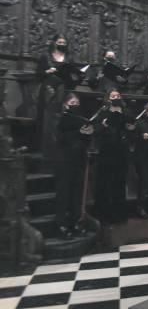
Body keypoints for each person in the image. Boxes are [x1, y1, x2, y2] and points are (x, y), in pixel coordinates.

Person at [92, 89, 135, 223]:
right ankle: (105, 215)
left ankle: (120, 214)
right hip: (106, 152)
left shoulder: (126, 112)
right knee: (105, 184)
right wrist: (104, 125)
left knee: (120, 184)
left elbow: (132, 129)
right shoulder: (103, 112)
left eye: (117, 95)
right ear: (108, 99)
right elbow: (95, 131)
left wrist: (130, 128)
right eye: (112, 96)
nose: (115, 98)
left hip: (121, 152)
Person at [55, 93, 93, 237]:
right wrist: (78, 132)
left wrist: (87, 133)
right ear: (65, 104)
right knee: (64, 193)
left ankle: (75, 222)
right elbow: (61, 138)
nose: (75, 104)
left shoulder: (79, 119)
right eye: (72, 102)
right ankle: (61, 225)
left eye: (77, 102)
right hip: (64, 160)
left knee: (77, 193)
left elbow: (86, 142)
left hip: (79, 159)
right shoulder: (61, 119)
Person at [36, 34, 73, 153]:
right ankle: (44, 148)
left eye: (64, 43)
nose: (62, 44)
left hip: (64, 90)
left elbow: (72, 74)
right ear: (54, 43)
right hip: (49, 90)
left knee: (62, 117)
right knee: (47, 118)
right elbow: (38, 74)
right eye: (59, 42)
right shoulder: (46, 56)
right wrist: (48, 71)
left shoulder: (69, 57)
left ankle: (61, 148)